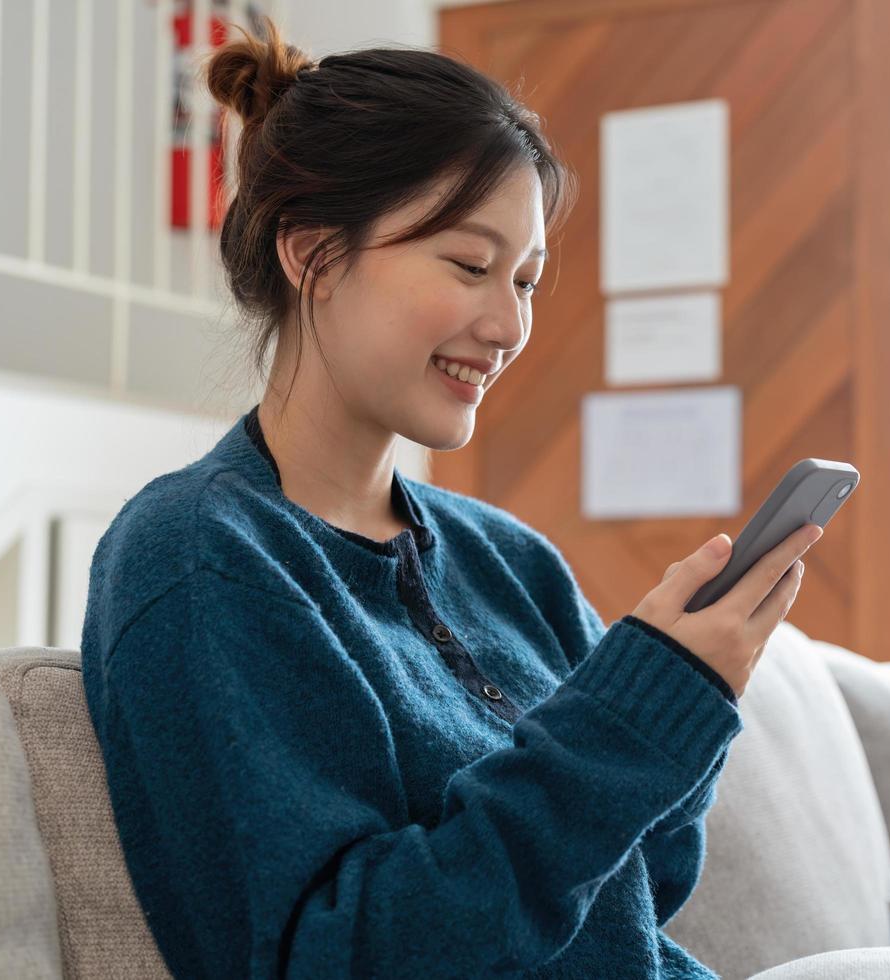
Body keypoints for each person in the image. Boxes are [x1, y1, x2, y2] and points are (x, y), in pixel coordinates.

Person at [79, 16, 821, 980]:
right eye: (471, 266)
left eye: (526, 280)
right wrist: (633, 717)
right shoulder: (200, 555)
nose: (510, 323)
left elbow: (638, 893)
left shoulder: (509, 560)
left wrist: (691, 695)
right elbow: (343, 957)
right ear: (310, 255)